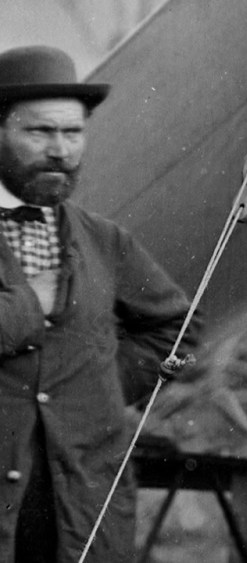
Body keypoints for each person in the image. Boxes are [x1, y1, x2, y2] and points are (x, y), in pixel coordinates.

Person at [0, 46, 197, 562]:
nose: (60, 150)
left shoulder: (104, 240)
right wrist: (28, 306)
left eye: (73, 133)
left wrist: (102, 386)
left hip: (82, 507)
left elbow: (177, 327)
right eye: (39, 132)